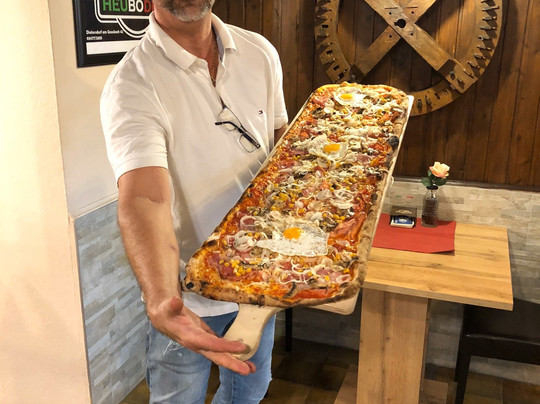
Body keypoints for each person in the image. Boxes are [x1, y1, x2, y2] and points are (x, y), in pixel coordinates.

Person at [100, 0, 288, 402]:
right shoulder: (132, 82)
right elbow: (145, 197)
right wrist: (160, 299)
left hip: (259, 284)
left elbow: (280, 150)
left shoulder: (260, 52)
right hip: (187, 298)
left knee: (249, 392)